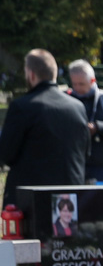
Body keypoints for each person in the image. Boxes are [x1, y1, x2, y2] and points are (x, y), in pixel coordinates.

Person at [0, 49, 87, 205]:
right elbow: (85, 151)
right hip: (67, 201)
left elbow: (6, 153)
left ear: (31, 74)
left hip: (30, 200)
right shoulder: (78, 107)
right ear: (54, 74)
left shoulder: (22, 107)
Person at [66, 60, 103, 184]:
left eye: (81, 84)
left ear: (92, 81)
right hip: (72, 163)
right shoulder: (66, 99)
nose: (77, 88)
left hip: (99, 165)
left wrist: (98, 127)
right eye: (74, 84)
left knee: (100, 202)